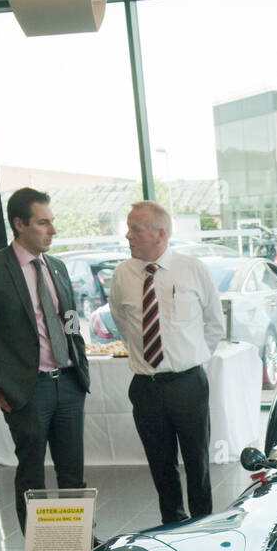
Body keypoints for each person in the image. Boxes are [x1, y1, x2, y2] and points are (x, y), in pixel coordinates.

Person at [0, 187, 90, 534]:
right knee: (31, 477)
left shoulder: (56, 267)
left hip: (69, 383)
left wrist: (79, 358)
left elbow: (69, 317)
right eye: (43, 223)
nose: (52, 231)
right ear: (19, 224)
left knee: (73, 474)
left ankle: (77, 547)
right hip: (28, 391)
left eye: (52, 222)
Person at [109, 201, 224, 525]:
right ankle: (172, 526)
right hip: (146, 387)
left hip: (188, 384)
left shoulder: (192, 269)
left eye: (135, 230)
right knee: (161, 466)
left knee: (197, 462)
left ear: (160, 234)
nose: (128, 236)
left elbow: (214, 324)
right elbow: (123, 321)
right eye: (128, 229)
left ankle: (204, 526)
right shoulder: (123, 274)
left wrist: (192, 358)